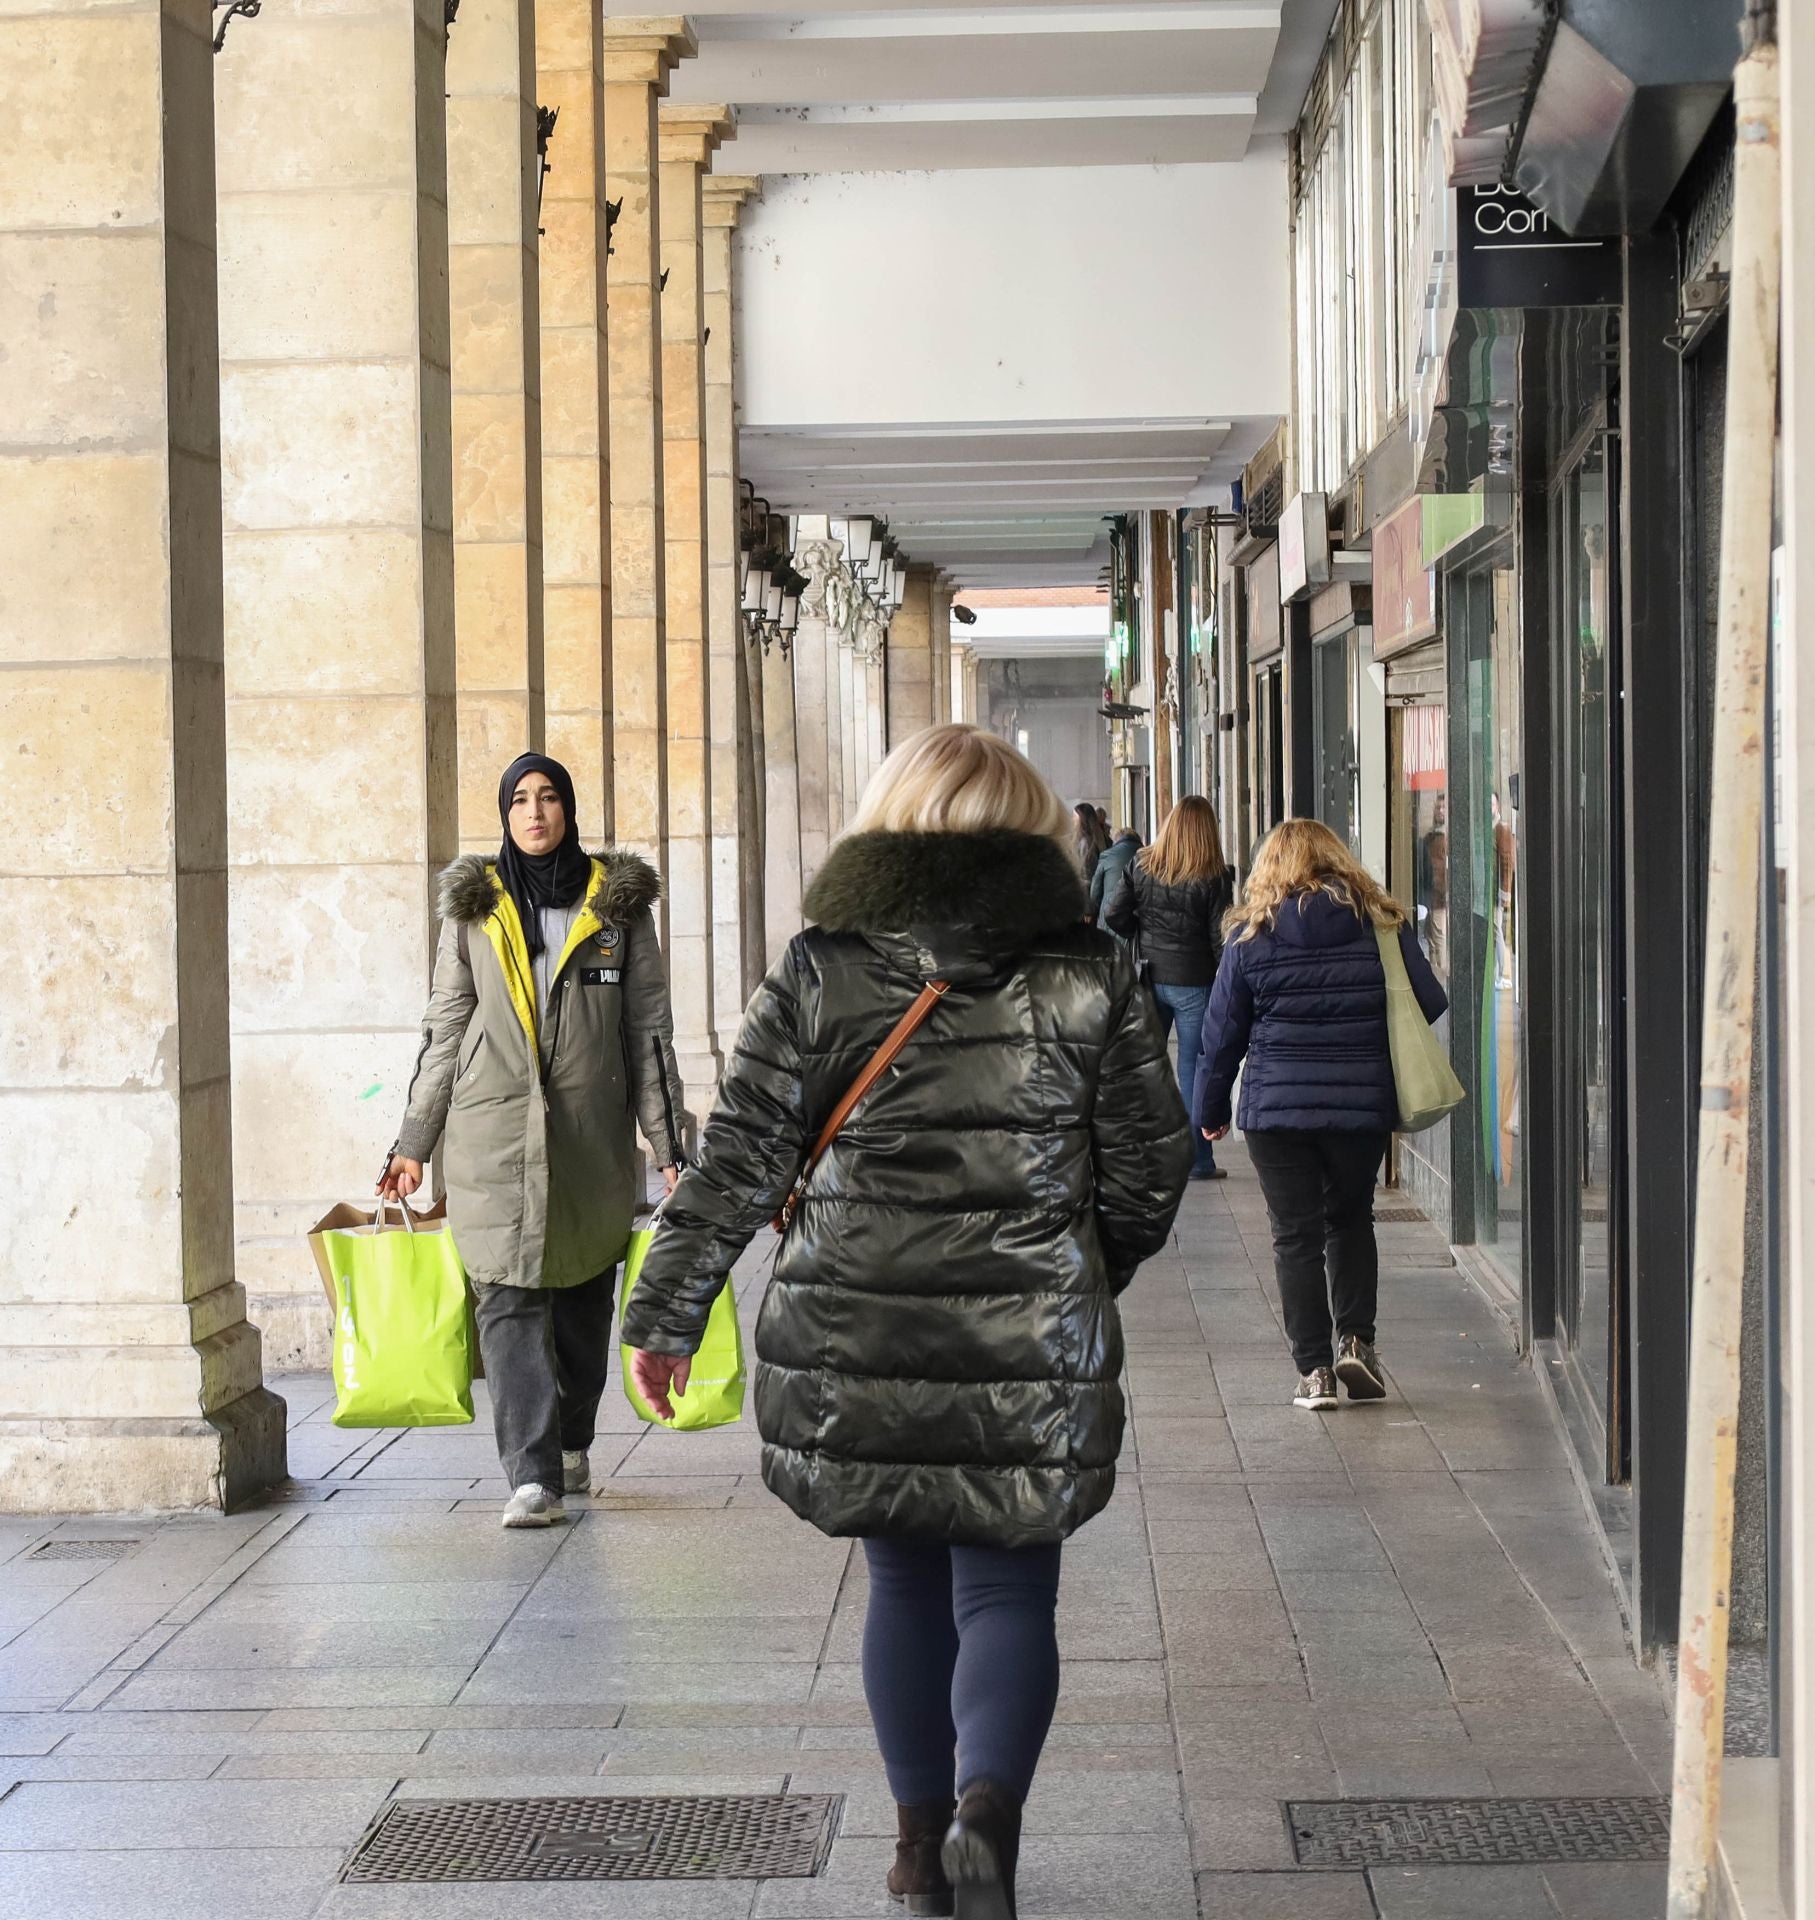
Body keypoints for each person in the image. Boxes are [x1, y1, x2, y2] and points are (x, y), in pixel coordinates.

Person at [622, 725, 1192, 1920]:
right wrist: (1081, 1275)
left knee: (903, 1585)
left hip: (855, 1337)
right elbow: (1151, 1164)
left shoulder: (823, 968)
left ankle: (922, 1846)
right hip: (1026, 1341)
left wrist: (668, 1309)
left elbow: (738, 1158)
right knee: (1008, 1595)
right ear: (1029, 826)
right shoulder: (1090, 972)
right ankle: (991, 1811)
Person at [379, 752, 688, 1528]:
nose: (535, 812)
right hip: (493, 1132)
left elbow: (647, 1030)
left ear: (569, 809)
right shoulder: (475, 907)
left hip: (589, 1136)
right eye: (520, 800)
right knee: (506, 1296)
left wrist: (668, 1145)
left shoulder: (615, 906)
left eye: (549, 797)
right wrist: (413, 1140)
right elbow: (446, 1025)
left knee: (584, 1296)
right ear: (505, 814)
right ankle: (531, 1476)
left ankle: (573, 1438)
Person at [1192, 818, 1446, 1412]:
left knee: (1295, 1236)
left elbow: (1220, 1033)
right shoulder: (1382, 924)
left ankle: (1315, 1373)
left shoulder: (1250, 935)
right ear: (1340, 861)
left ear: (1270, 867)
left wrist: (1209, 1107)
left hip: (1277, 1112)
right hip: (1359, 1108)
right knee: (1352, 1220)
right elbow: (1430, 1000)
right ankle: (1357, 1340)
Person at [1105, 794, 1234, 1181]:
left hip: (1148, 977)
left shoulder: (1141, 864)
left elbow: (1114, 913)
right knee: (1195, 1070)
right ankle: (1198, 1160)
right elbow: (1219, 938)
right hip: (1195, 982)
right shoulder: (1214, 875)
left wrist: (1140, 937)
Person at [1087, 823, 1141, 930]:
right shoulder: (1147, 856)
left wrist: (1092, 912)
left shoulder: (1107, 855)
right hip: (1138, 921)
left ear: (1116, 840)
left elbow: (1095, 892)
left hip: (1109, 920)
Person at [1072, 800, 1110, 891]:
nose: (1072, 819)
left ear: (1081, 819)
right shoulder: (1100, 837)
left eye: (1074, 816)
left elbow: (1087, 872)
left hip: (1088, 889)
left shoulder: (1086, 842)